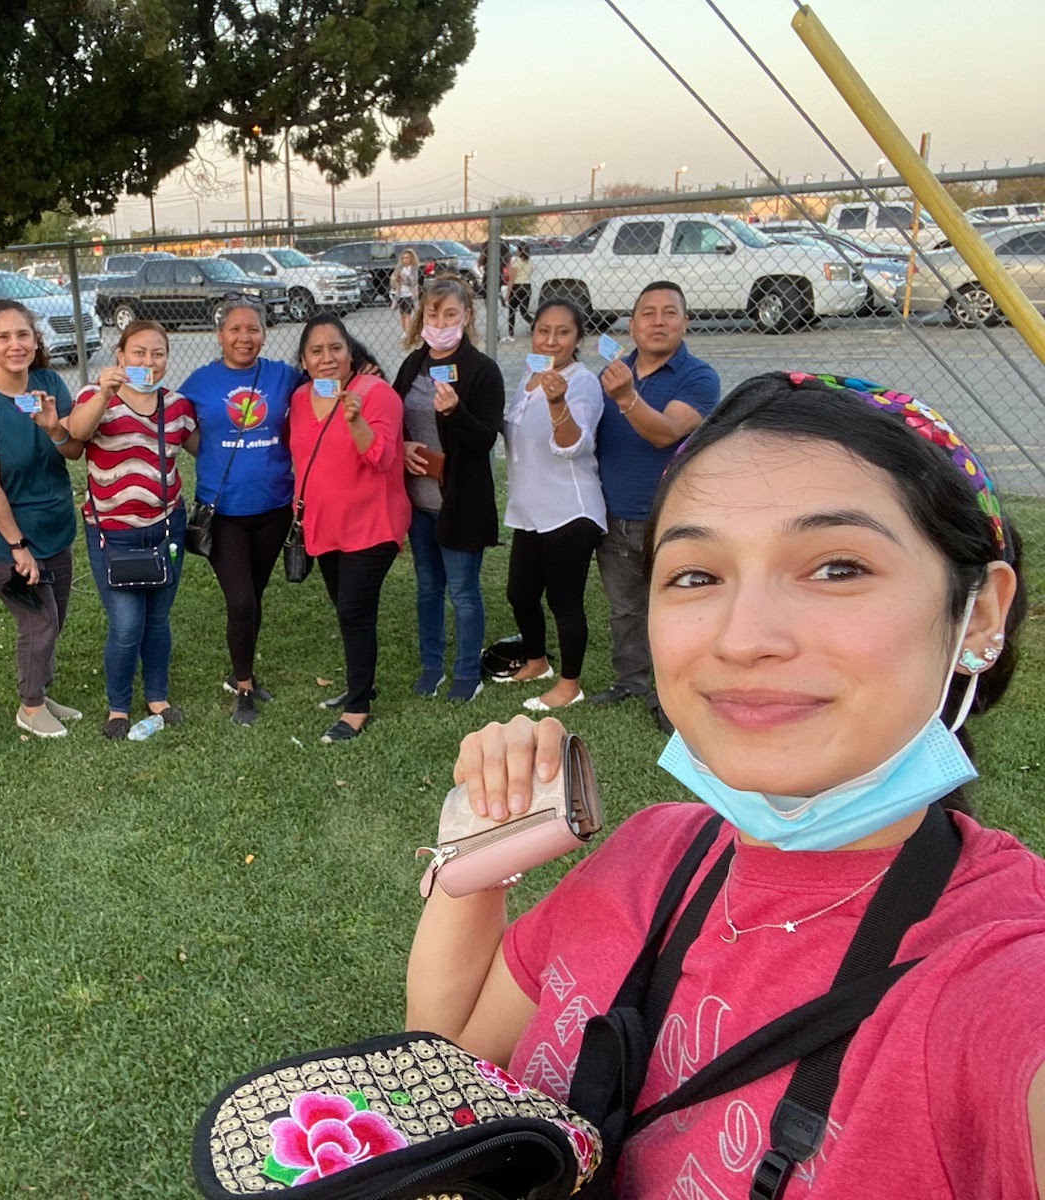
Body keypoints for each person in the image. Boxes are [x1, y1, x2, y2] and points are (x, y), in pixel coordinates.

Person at [407, 372, 1044, 1197]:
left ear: (981, 615)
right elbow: (449, 1061)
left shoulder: (997, 980)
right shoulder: (651, 852)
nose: (743, 638)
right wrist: (478, 847)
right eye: (697, 576)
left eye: (837, 567)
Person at [590, 281, 720, 731]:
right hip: (612, 513)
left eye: (669, 313)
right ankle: (631, 681)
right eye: (648, 313)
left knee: (675, 610)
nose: (658, 321)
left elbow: (667, 432)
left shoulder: (697, 376)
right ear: (632, 324)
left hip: (670, 519)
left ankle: (674, 697)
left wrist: (626, 398)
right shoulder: (614, 371)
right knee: (625, 607)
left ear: (685, 322)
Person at [62, 321, 198, 739]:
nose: (148, 361)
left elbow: (202, 447)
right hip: (112, 534)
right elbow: (76, 435)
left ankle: (157, 695)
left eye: (157, 353)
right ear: (120, 356)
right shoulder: (95, 395)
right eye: (138, 352)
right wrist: (104, 392)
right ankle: (117, 704)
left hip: (166, 529)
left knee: (157, 619)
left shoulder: (177, 406)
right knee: (125, 625)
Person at [0, 300, 84, 738]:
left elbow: (73, 450)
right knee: (38, 619)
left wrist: (54, 428)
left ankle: (41, 693)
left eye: (23, 335)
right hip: (2, 532)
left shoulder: (49, 382)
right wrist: (16, 547)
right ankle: (30, 708)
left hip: (54, 522)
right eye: (4, 337)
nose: (16, 344)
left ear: (35, 340)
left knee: (56, 616)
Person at [179, 299, 301, 726]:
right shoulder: (199, 382)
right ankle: (243, 685)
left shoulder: (283, 376)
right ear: (220, 335)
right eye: (235, 330)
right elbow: (177, 426)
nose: (244, 338)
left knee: (254, 594)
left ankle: (242, 668)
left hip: (274, 506)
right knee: (242, 598)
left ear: (264, 334)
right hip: (223, 511)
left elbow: (326, 383)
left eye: (253, 329)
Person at [289, 314, 410, 744]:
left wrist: (354, 418)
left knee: (353, 611)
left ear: (351, 352)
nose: (327, 359)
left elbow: (379, 458)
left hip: (371, 524)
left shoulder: (376, 395)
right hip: (324, 526)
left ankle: (357, 707)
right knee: (346, 607)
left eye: (335, 349)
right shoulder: (300, 398)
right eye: (316, 351)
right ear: (304, 360)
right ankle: (360, 681)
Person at [394, 274, 505, 703]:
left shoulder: (481, 371)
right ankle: (431, 665)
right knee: (427, 588)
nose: (440, 322)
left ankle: (465, 671)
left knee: (462, 591)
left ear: (467, 315)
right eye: (433, 313)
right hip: (419, 502)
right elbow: (394, 417)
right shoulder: (413, 365)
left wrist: (456, 411)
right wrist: (401, 445)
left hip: (460, 501)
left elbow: (485, 439)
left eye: (450, 314)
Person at [500, 298, 606, 713]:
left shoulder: (581, 382)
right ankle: (537, 662)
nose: (551, 339)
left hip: (570, 509)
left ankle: (569, 684)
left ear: (578, 338)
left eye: (563, 332)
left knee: (564, 599)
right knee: (520, 593)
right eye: (544, 330)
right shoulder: (530, 372)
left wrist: (558, 403)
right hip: (530, 508)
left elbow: (575, 445)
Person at [505, 245, 533, 336]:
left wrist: (508, 293)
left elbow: (512, 279)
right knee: (524, 312)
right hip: (527, 286)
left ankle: (511, 333)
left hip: (517, 286)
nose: (516, 251)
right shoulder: (529, 262)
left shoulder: (516, 261)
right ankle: (534, 324)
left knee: (512, 310)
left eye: (517, 250)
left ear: (520, 251)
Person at [390, 248, 421, 333]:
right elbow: (393, 279)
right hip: (400, 294)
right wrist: (396, 279)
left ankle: (408, 332)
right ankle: (404, 331)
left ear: (411, 258)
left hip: (410, 294)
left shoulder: (413, 268)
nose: (405, 260)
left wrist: (404, 279)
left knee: (407, 314)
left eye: (407, 258)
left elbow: (413, 282)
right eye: (403, 258)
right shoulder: (400, 268)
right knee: (402, 315)